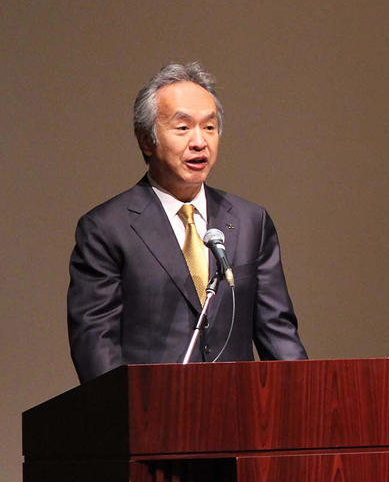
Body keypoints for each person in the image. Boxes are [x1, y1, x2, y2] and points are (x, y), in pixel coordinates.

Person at [67, 62, 307, 382]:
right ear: (146, 140)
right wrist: (125, 418)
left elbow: (278, 334)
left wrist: (308, 400)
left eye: (209, 128)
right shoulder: (107, 229)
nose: (199, 142)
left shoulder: (251, 222)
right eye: (183, 128)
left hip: (238, 417)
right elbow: (96, 343)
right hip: (152, 421)